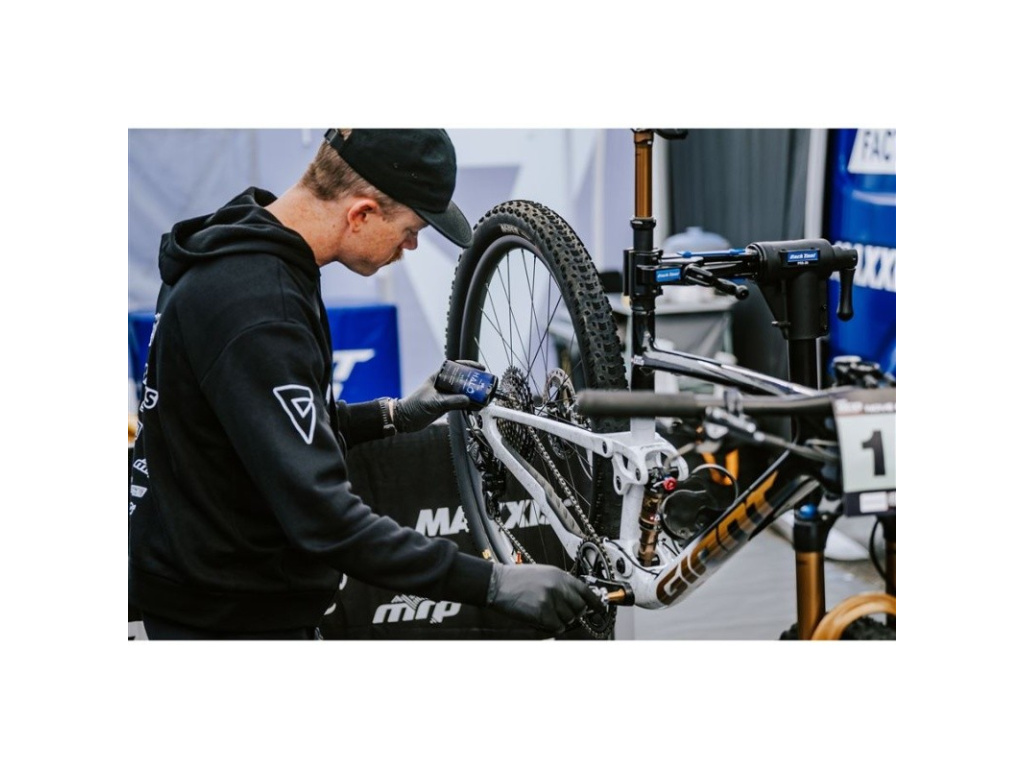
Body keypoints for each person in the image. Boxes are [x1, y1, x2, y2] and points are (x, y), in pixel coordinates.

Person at [128, 128, 604, 640]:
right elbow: (326, 519)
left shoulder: (239, 256)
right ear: (361, 213)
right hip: (226, 620)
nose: (411, 245)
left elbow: (254, 434)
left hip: (217, 595)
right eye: (411, 228)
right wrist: (491, 583)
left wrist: (393, 415)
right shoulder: (260, 307)